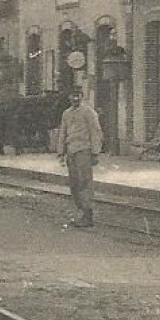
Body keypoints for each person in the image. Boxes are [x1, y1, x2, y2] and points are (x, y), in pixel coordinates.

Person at [56, 88, 103, 227]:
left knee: (85, 182)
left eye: (77, 96)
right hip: (71, 151)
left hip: (84, 150)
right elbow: (63, 132)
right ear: (69, 97)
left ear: (82, 97)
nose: (75, 99)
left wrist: (95, 152)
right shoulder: (66, 113)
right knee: (74, 183)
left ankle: (88, 215)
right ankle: (80, 211)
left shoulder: (89, 112)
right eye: (72, 96)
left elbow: (96, 132)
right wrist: (60, 151)